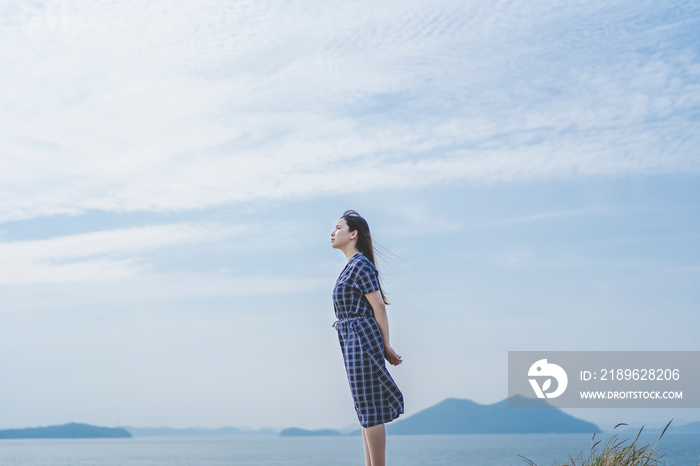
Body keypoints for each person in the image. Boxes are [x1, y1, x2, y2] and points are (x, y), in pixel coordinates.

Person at [330, 210, 404, 466]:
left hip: (361, 337)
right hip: (352, 338)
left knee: (369, 408)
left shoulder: (361, 265)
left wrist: (385, 346)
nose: (333, 232)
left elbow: (378, 307)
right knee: (364, 408)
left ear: (353, 234)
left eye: (338, 227)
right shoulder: (351, 266)